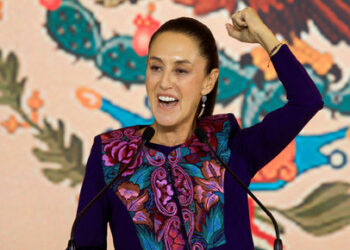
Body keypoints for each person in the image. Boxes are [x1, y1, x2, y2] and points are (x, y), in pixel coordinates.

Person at [74, 7, 324, 250]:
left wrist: (263, 36)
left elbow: (307, 101)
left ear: (208, 81)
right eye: (156, 67)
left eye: (181, 70)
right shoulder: (111, 155)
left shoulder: (230, 148)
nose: (164, 82)